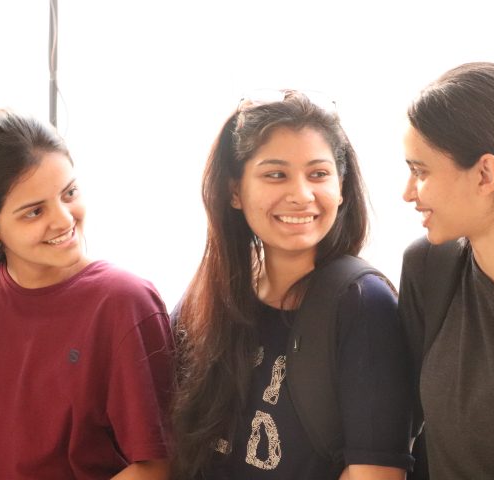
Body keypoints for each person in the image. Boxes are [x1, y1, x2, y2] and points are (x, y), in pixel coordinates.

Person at [171, 90, 413, 479]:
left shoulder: (363, 303)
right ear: (234, 191)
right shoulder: (212, 293)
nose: (301, 195)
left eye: (318, 174)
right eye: (276, 175)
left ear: (342, 187)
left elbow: (377, 473)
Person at [0, 109, 174, 479]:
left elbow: (157, 465)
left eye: (70, 193)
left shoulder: (123, 303)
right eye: (34, 212)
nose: (64, 219)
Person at [399, 62, 494, 479]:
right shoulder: (428, 268)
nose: (408, 193)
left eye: (420, 172)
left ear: (485, 174)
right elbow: (404, 424)